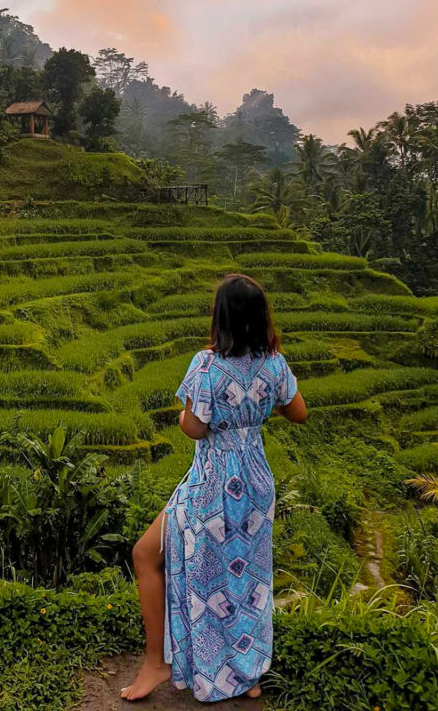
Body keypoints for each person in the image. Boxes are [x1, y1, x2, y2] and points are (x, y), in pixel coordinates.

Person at [121, 273, 307, 703]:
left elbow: (194, 428)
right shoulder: (275, 363)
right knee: (245, 578)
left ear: (220, 317)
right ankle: (246, 673)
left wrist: (188, 417)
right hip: (257, 482)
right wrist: (253, 410)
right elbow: (299, 413)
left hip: (213, 483)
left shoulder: (206, 364)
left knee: (149, 555)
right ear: (260, 318)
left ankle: (157, 662)